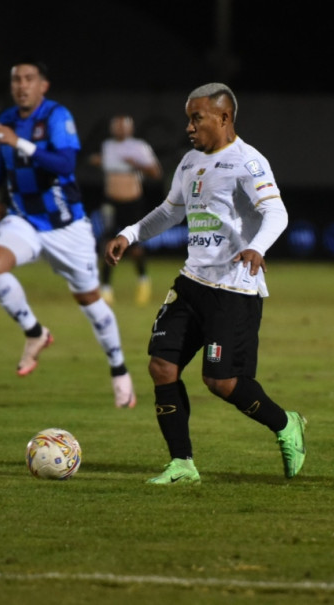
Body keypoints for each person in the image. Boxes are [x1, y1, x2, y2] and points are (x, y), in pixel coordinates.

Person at [105, 82, 305, 485]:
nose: (189, 128)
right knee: (162, 366)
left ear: (224, 117)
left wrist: (257, 247)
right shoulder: (190, 161)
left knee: (221, 382)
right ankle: (182, 463)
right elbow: (169, 211)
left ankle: (286, 424)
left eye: (197, 118)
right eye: (188, 119)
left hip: (234, 289)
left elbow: (277, 213)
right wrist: (130, 233)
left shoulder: (248, 162)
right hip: (192, 281)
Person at [0, 59, 136, 409]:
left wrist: (21, 143)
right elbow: (2, 156)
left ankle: (119, 371)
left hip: (67, 226)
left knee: (91, 303)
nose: (21, 85)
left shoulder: (56, 117)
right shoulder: (5, 118)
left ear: (43, 86)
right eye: (16, 79)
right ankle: (35, 333)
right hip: (25, 219)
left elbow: (65, 164)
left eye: (29, 79)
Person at [89, 115, 162, 306]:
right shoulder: (108, 146)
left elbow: (156, 173)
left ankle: (143, 280)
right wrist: (98, 160)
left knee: (135, 247)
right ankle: (105, 288)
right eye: (116, 127)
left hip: (132, 201)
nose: (119, 130)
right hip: (111, 201)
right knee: (108, 242)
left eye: (123, 127)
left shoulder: (139, 147)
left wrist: (136, 164)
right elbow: (103, 163)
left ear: (130, 129)